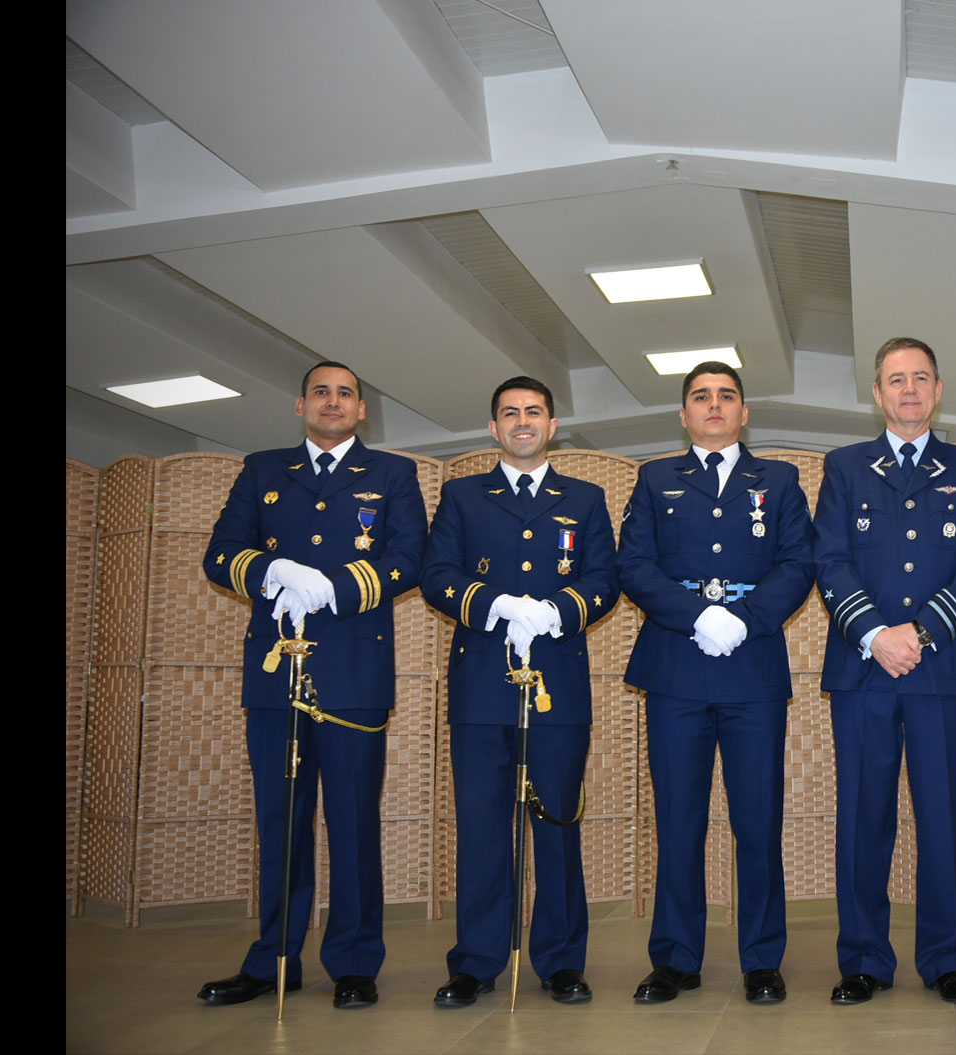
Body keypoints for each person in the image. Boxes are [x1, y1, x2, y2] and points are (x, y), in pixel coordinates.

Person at [198, 361, 424, 1010]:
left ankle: (354, 962)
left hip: (354, 674)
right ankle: (274, 959)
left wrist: (338, 586)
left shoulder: (392, 474)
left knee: (354, 823)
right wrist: (275, 572)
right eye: (320, 392)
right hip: (277, 672)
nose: (332, 402)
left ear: (362, 411)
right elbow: (221, 552)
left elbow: (409, 557)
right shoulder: (263, 468)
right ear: (301, 405)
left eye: (345, 394)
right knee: (281, 823)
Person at [615, 362, 815, 1005]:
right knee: (678, 820)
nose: (714, 406)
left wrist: (746, 620)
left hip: (752, 671)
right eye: (700, 397)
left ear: (744, 412)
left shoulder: (779, 480)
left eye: (726, 396)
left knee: (757, 821)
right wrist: (698, 615)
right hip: (676, 668)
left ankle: (761, 959)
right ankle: (675, 958)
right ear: (683, 414)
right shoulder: (654, 479)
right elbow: (633, 565)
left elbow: (798, 563)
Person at [420, 376, 619, 1007]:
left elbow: (604, 581)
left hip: (556, 684)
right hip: (482, 684)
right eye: (510, 413)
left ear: (552, 425)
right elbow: (436, 576)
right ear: (493, 428)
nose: (523, 421)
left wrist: (558, 611)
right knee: (482, 829)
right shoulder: (461, 495)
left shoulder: (585, 498)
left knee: (557, 825)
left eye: (534, 412)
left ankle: (561, 961)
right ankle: (475, 962)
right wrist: (495, 605)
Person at [813, 337, 956, 1006]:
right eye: (897, 379)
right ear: (877, 393)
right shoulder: (845, 466)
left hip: (939, 668)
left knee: (941, 817)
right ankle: (863, 956)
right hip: (863, 670)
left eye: (921, 377)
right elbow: (829, 560)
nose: (910, 389)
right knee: (864, 816)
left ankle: (946, 957)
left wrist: (918, 634)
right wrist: (875, 634)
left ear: (939, 389)